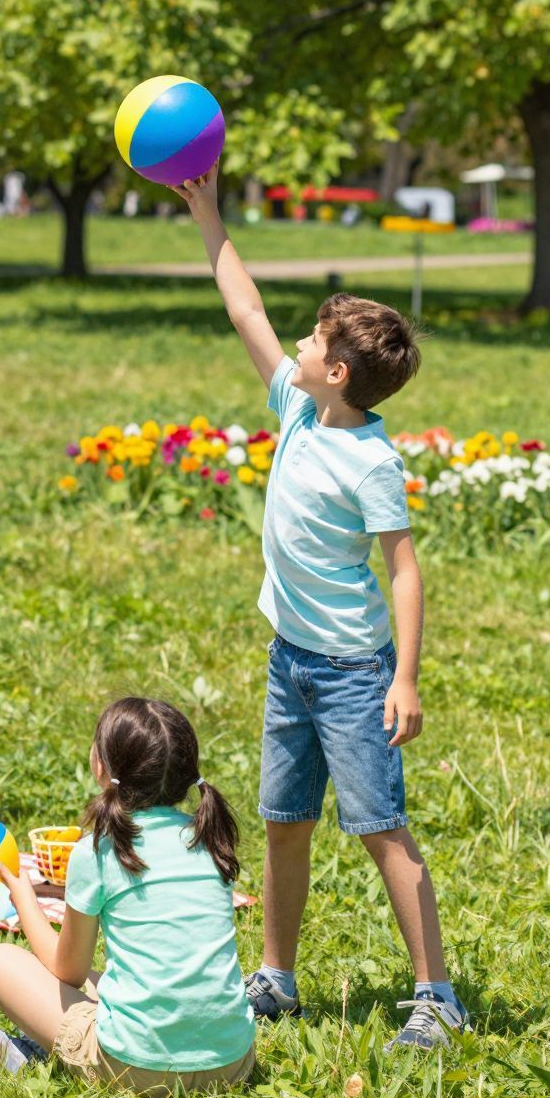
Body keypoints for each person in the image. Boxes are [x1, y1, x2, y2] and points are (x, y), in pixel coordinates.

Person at [177, 162, 469, 1049]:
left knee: (382, 829)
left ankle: (437, 996)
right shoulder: (299, 411)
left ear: (335, 372)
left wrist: (404, 679)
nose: (294, 346)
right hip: (290, 659)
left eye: (311, 342)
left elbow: (404, 572)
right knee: (283, 821)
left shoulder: (370, 462)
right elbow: (245, 311)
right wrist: (209, 213)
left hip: (352, 672)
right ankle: (278, 977)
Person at [0, 697, 255, 1094]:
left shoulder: (100, 848)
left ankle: (26, 1054)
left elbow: (66, 970)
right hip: (232, 1062)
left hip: (135, 1066)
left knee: (0, 961)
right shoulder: (208, 836)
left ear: (101, 766)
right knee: (97, 980)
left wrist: (24, 898)